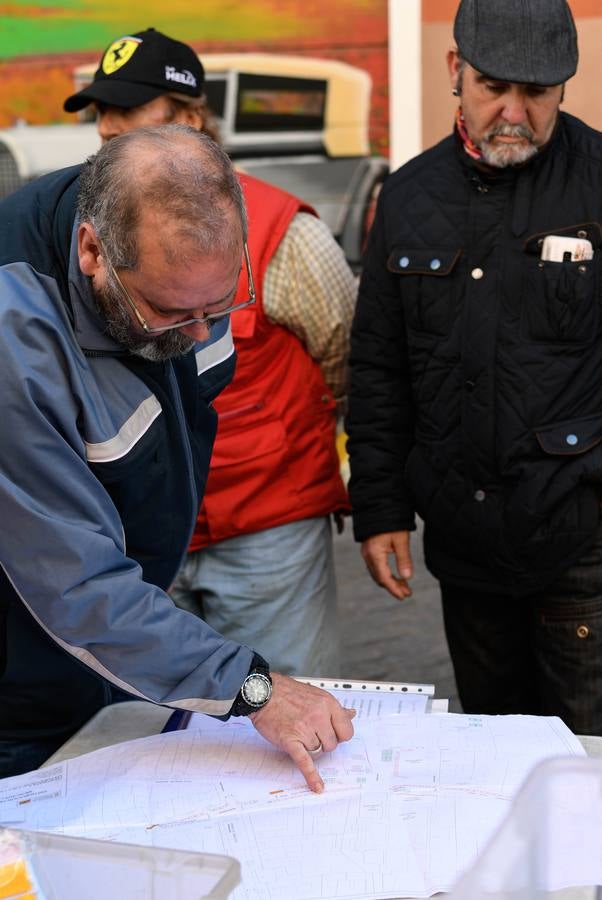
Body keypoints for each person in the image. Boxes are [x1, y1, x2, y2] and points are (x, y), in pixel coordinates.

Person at [0, 124, 355, 783]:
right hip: (23, 692)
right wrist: (252, 688)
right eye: (169, 312)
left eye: (220, 307)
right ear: (92, 252)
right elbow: (75, 587)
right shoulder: (13, 338)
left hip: (120, 645)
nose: (198, 333)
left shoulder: (185, 276)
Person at [64, 28, 355, 677]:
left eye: (128, 116)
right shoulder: (94, 233)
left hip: (266, 536)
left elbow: (345, 358)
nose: (108, 132)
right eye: (101, 119)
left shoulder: (285, 230)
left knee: (289, 712)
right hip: (142, 534)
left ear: (191, 119)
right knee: (165, 742)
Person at [347, 0, 602, 734]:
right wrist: (383, 509)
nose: (515, 111)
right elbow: (380, 367)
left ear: (563, 88)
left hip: (581, 544)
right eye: (495, 86)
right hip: (464, 548)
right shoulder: (408, 194)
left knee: (586, 773)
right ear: (455, 70)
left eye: (538, 92)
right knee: (492, 766)